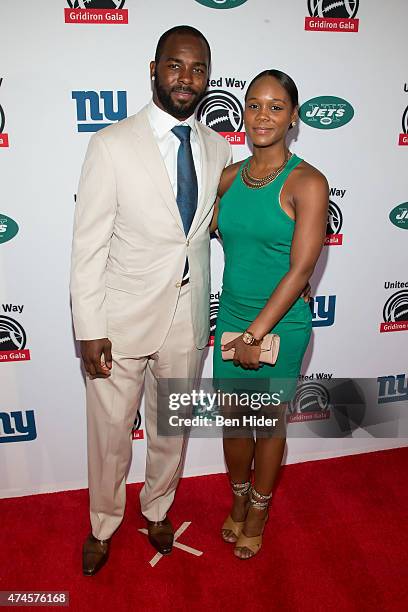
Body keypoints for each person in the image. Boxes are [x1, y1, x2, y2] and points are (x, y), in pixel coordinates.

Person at [70, 25, 231, 576]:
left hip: (187, 318)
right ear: (154, 69)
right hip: (118, 319)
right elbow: (88, 245)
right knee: (111, 435)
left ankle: (158, 508)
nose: (187, 79)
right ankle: (103, 522)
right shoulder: (111, 144)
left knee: (171, 427)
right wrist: (89, 327)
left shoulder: (217, 145)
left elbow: (207, 230)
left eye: (198, 68)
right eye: (176, 65)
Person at [211, 69, 329, 559]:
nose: (263, 115)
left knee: (269, 423)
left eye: (276, 106)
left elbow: (302, 268)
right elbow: (202, 232)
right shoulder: (229, 177)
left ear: (293, 117)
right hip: (232, 316)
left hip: (280, 325)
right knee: (234, 422)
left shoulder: (308, 181)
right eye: (254, 105)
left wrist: (256, 334)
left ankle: (258, 509)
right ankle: (238, 500)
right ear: (243, 114)